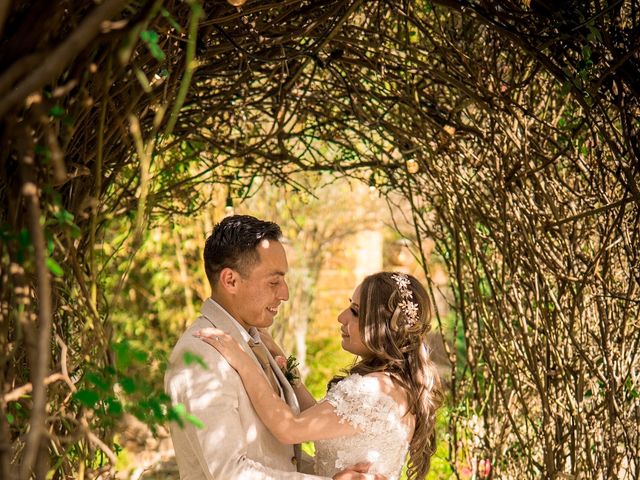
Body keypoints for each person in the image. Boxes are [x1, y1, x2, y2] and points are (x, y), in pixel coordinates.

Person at [165, 215, 382, 479]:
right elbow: (229, 472)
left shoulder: (256, 340)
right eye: (273, 282)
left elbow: (283, 459)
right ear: (230, 280)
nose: (285, 294)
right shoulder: (200, 358)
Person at [196, 270, 443, 480]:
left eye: (355, 312)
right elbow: (322, 421)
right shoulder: (396, 384)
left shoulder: (371, 392)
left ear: (382, 328)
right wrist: (286, 367)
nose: (341, 317)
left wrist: (242, 359)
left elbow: (289, 428)